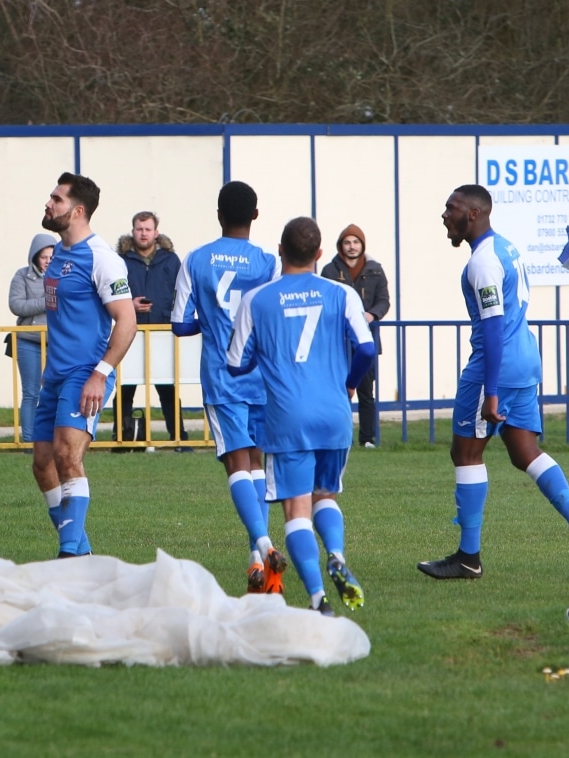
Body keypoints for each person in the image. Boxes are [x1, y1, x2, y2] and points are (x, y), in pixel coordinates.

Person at [419, 184, 569, 581]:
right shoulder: (507, 248)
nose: (444, 215)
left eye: (450, 208)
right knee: (524, 452)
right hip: (525, 361)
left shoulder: (483, 261)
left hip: (496, 366)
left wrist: (490, 391)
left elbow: (492, 324)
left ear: (473, 213)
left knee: (466, 454)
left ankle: (468, 558)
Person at [228, 217, 375, 615]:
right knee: (324, 494)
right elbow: (366, 348)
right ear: (320, 255)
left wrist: (266, 354)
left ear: (280, 250)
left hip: (287, 417)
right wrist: (347, 383)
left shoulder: (257, 299)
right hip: (334, 413)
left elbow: (236, 363)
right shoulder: (342, 293)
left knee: (296, 508)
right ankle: (338, 557)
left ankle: (317, 598)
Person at [171, 181, 286, 594]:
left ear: (218, 214)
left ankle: (265, 546)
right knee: (257, 464)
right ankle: (257, 561)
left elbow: (181, 324)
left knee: (237, 464)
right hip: (262, 377)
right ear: (255, 216)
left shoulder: (196, 260)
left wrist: (214, 323)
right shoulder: (269, 262)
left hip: (222, 376)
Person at [31, 172, 136, 557]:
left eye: (56, 199)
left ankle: (68, 555)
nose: (48, 203)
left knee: (67, 457)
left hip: (84, 373)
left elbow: (127, 321)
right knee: (43, 465)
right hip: (55, 374)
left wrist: (100, 373)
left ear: (77, 211)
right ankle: (83, 554)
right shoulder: (57, 254)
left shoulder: (102, 258)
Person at [114, 212, 189, 450]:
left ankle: (179, 438)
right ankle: (123, 439)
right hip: (130, 331)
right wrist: (130, 305)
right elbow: (112, 292)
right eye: (139, 229)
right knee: (125, 387)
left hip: (162, 331)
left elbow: (181, 293)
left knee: (167, 388)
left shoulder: (171, 260)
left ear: (156, 232)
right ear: (132, 230)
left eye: (147, 229)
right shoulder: (120, 260)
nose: (143, 233)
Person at [321, 224, 390, 448]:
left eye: (356, 242)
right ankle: (338, 437)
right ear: (341, 246)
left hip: (366, 340)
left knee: (366, 392)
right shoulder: (329, 271)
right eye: (347, 242)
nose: (352, 247)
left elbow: (384, 300)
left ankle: (367, 438)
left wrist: (372, 315)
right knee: (337, 391)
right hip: (338, 342)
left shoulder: (376, 270)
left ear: (362, 244)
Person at [8, 232, 56, 444]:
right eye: (44, 257)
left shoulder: (64, 276)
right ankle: (29, 441)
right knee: (31, 392)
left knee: (54, 391)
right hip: (28, 340)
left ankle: (51, 439)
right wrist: (46, 301)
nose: (47, 262)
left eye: (52, 257)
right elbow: (16, 305)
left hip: (56, 343)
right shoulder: (21, 276)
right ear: (35, 257)